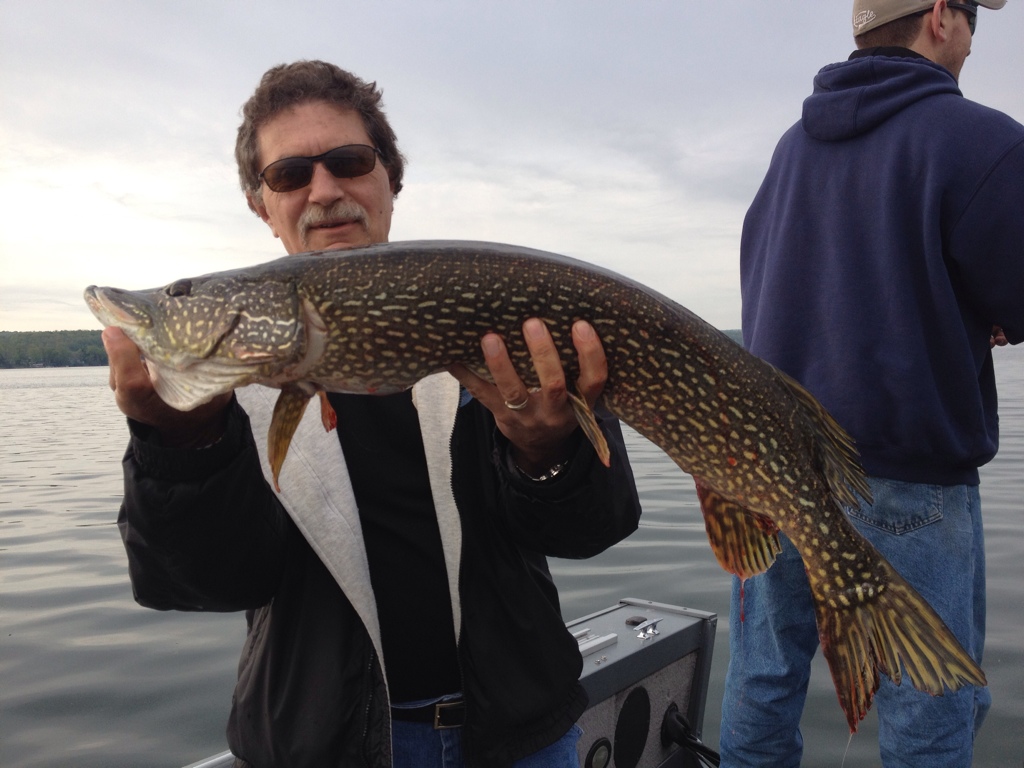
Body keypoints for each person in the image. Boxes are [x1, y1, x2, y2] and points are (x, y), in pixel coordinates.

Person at [101, 60, 642, 768]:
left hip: (518, 742)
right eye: (290, 174)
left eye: (350, 162)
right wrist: (182, 447)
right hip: (327, 751)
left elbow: (594, 528)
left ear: (390, 178)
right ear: (262, 206)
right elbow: (206, 582)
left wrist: (547, 453)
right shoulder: (228, 398)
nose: (325, 190)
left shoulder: (494, 325)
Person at [721, 1, 1024, 766]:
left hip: (772, 470)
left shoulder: (789, 150)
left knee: (763, 684)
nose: (972, 42)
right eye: (974, 20)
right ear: (942, 18)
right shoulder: (983, 140)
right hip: (908, 478)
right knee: (929, 711)